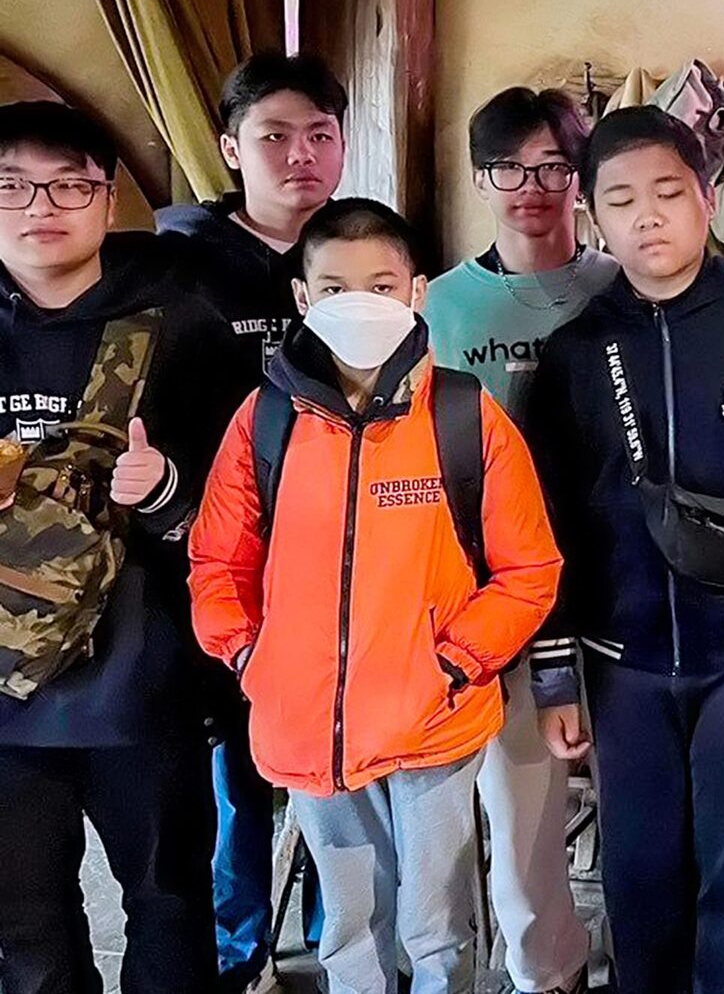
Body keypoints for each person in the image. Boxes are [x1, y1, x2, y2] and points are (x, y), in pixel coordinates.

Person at [188, 198, 564, 994]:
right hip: (307, 723)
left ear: (417, 291)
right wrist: (252, 657)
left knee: (436, 930)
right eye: (334, 288)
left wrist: (454, 663)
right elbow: (217, 560)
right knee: (349, 931)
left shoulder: (464, 416)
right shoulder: (265, 420)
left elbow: (529, 569)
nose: (358, 305)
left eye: (381, 286)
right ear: (301, 297)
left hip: (432, 720)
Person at [524, 106, 724, 994]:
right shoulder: (574, 354)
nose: (648, 216)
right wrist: (554, 675)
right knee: (638, 876)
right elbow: (544, 521)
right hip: (621, 663)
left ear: (707, 199)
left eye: (669, 192)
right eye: (621, 199)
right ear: (592, 214)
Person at [0, 100, 250, 994]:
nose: (41, 206)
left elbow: (245, 511)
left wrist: (167, 490)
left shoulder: (183, 326)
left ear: (109, 200)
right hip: (2, 701)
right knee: (22, 919)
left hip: (144, 684)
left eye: (69, 185)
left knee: (169, 902)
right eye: (12, 186)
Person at [156, 49, 349, 988]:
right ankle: (241, 950)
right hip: (220, 551)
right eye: (275, 136)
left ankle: (334, 937)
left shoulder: (363, 248)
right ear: (231, 148)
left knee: (336, 765)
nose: (300, 155)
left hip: (345, 550)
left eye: (320, 134)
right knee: (237, 770)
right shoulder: (179, 263)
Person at [423, 87, 616, 994]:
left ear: (580, 178)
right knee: (523, 818)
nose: (531, 187)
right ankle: (549, 975)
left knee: (644, 811)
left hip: (619, 584)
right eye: (508, 167)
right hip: (499, 596)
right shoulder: (443, 306)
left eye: (552, 166)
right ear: (479, 179)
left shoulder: (622, 285)